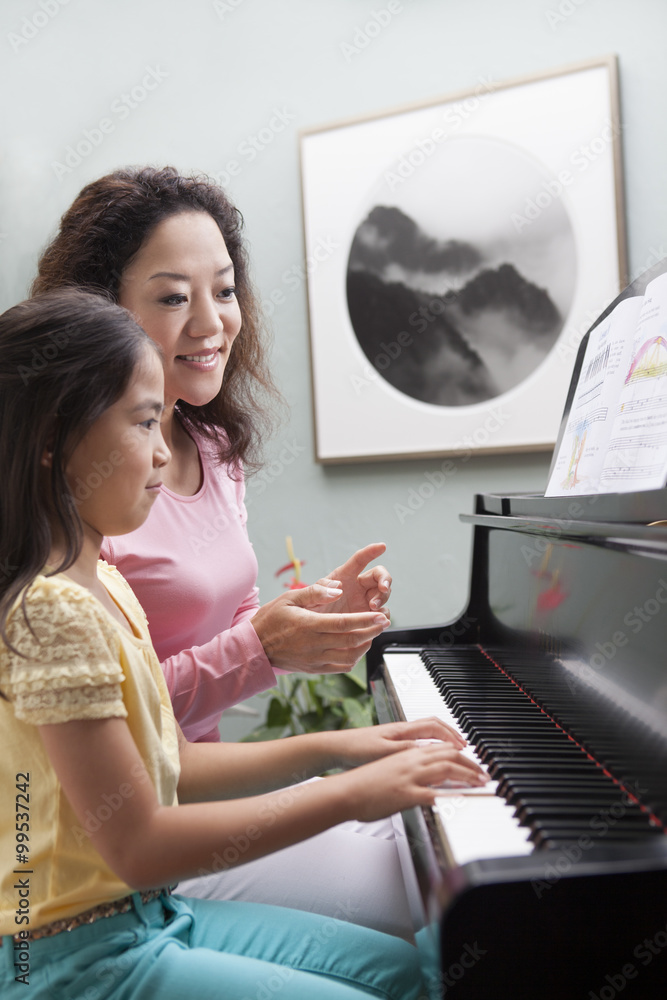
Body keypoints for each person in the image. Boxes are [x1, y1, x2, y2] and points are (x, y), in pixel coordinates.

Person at [0, 290, 487, 1000]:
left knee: (419, 972)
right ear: (54, 442)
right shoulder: (50, 612)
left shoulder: (104, 582)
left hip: (153, 916)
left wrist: (339, 750)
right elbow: (136, 846)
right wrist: (350, 795)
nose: (166, 453)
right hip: (70, 961)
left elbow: (177, 765)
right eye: (143, 423)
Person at [30, 166, 427, 937]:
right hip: (121, 837)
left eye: (225, 288)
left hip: (205, 789)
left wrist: (299, 624)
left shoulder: (211, 443)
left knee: (418, 854)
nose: (211, 322)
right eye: (173, 296)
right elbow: (101, 706)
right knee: (414, 885)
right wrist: (259, 651)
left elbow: (226, 622)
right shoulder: (88, 484)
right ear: (99, 312)